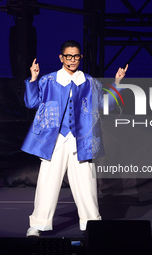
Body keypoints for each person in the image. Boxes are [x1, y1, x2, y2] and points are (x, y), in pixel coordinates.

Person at [21, 40, 128, 237]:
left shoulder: (89, 82)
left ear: (80, 58)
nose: (72, 60)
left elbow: (106, 106)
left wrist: (117, 83)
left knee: (86, 184)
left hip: (82, 139)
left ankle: (91, 223)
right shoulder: (48, 81)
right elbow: (31, 102)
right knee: (47, 183)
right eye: (68, 56)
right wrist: (34, 79)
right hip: (55, 139)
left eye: (76, 56)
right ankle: (38, 224)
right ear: (61, 57)